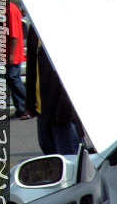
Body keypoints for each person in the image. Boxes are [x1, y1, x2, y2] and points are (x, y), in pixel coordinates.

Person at [25, 26, 81, 155]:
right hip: (43, 110)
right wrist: (30, 104)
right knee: (50, 155)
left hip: (62, 113)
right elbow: (32, 67)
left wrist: (65, 110)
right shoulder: (34, 29)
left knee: (69, 158)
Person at [8, 1, 29, 120]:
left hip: (14, 52)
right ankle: (21, 109)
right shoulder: (11, 8)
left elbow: (14, 34)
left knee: (13, 78)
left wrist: (11, 54)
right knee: (12, 80)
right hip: (12, 51)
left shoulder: (10, 9)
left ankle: (26, 108)